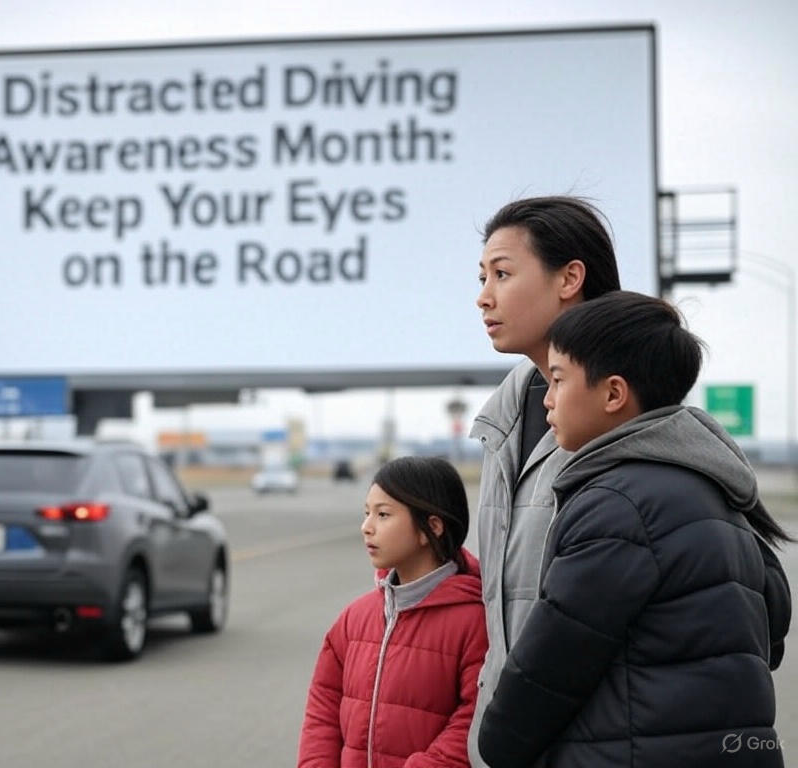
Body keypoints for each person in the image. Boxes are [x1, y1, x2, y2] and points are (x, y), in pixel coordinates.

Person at [478, 291, 792, 767]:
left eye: (559, 381)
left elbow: (550, 668)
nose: (549, 402)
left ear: (613, 394)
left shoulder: (617, 505)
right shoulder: (711, 487)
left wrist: (495, 746)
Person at [467, 196, 622, 766]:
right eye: (483, 277)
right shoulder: (503, 423)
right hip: (511, 744)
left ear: (570, 279)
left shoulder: (624, 418)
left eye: (503, 274)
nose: (484, 296)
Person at [297, 456, 488, 768]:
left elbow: (475, 718)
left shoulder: (475, 622)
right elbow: (322, 710)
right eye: (366, 513)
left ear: (432, 527)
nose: (366, 527)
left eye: (383, 515)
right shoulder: (352, 620)